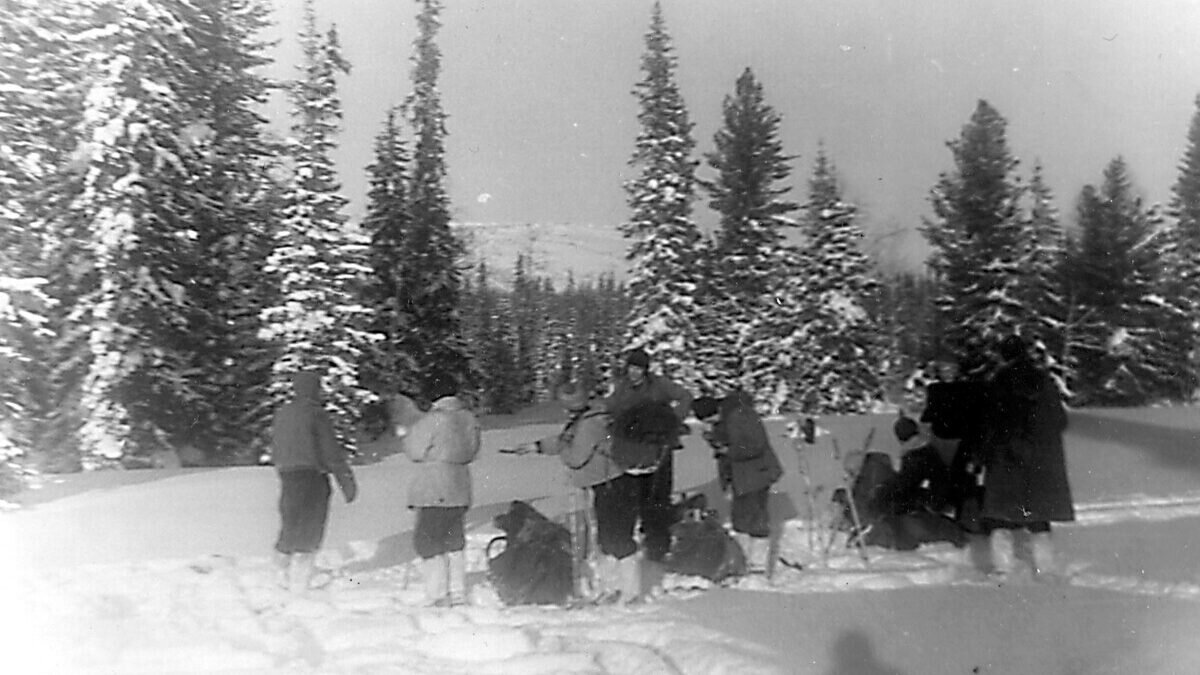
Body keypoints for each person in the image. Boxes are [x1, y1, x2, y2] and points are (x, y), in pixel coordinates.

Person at [506, 381, 633, 601]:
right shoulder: (590, 417)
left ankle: (628, 589)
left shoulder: (588, 423)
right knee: (607, 537)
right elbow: (568, 440)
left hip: (608, 482)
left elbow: (575, 457)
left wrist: (563, 451)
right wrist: (537, 446)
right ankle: (615, 586)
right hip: (607, 481)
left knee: (613, 538)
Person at [975, 334, 1074, 578]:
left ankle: (1003, 568)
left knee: (1001, 518)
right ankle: (1046, 568)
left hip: (1006, 459)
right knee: (1038, 518)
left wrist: (981, 456)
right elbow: (1059, 421)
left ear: (1003, 356)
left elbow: (990, 424)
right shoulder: (1044, 381)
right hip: (1040, 461)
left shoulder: (999, 382)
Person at [600, 348, 694, 597]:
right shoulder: (622, 387)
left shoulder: (659, 385)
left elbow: (685, 396)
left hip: (659, 451)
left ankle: (658, 548)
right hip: (633, 452)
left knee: (658, 498)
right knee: (635, 498)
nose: (634, 373)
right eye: (631, 368)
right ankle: (639, 540)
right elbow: (610, 406)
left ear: (645, 370)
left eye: (639, 368)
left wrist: (671, 421)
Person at [270, 371, 358, 593]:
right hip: (312, 475)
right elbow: (330, 451)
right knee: (311, 526)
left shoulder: (283, 413)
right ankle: (301, 580)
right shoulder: (316, 414)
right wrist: (346, 481)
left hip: (287, 474)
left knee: (290, 522)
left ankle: (280, 571)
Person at [402, 376, 481, 606]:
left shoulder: (432, 420)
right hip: (460, 483)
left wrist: (406, 435)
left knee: (427, 539)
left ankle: (437, 593)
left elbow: (414, 451)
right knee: (453, 537)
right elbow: (473, 450)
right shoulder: (469, 418)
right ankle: (457, 590)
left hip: (434, 484)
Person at [691, 391, 784, 573]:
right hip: (740, 474)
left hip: (756, 472)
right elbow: (729, 441)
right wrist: (714, 439)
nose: (711, 423)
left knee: (754, 519)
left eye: (711, 419)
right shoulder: (726, 418)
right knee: (741, 518)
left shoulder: (741, 415)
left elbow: (756, 445)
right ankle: (742, 561)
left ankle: (757, 565)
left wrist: (728, 451)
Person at [865, 415, 968, 550]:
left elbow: (906, 482)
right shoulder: (923, 448)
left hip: (932, 501)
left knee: (888, 502)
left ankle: (884, 536)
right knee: (890, 500)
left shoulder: (917, 454)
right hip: (934, 496)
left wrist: (883, 490)